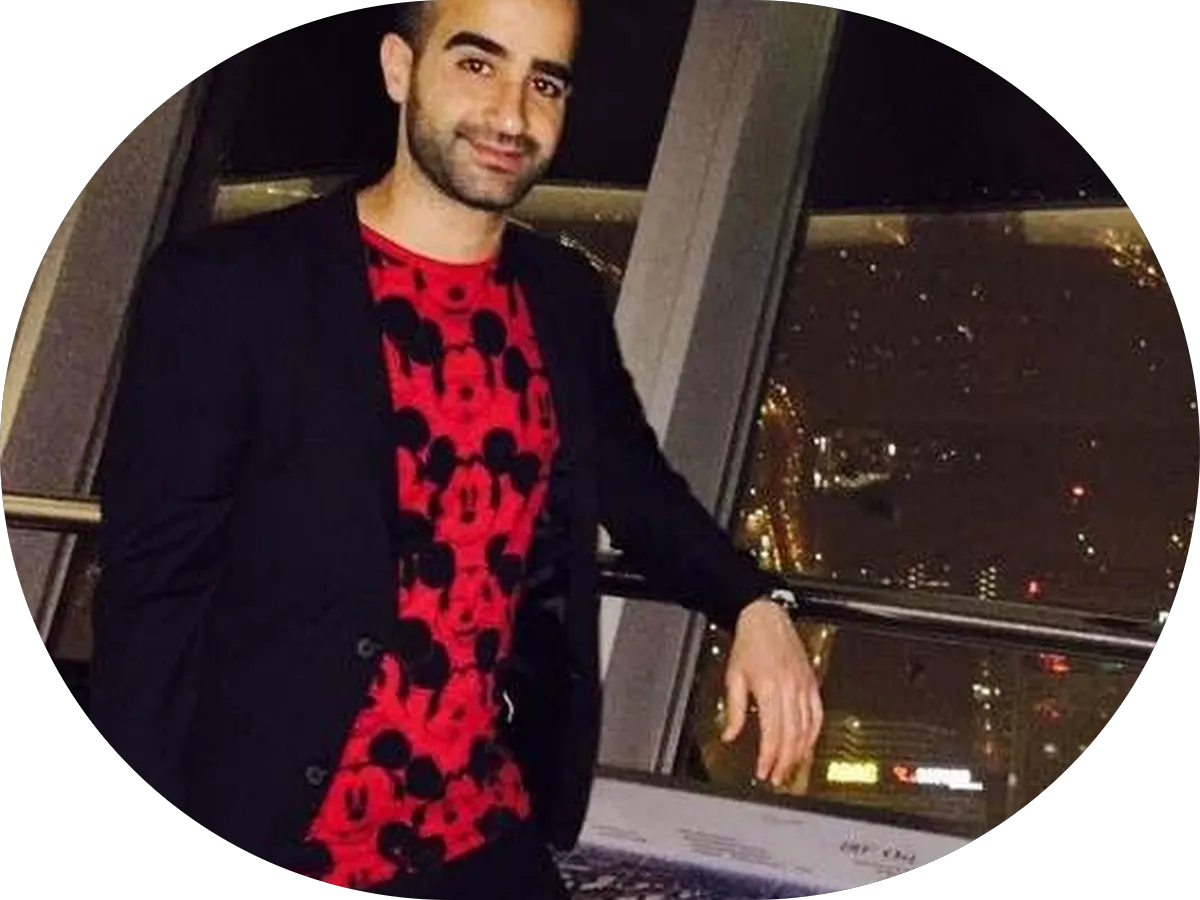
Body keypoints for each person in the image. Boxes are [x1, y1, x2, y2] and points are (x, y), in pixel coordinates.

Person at [88, 0, 824, 896]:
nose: (512, 114)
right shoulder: (231, 288)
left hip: (476, 827)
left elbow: (635, 483)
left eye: (544, 82)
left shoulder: (560, 295)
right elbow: (150, 602)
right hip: (278, 825)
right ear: (400, 70)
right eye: (478, 64)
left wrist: (751, 601)